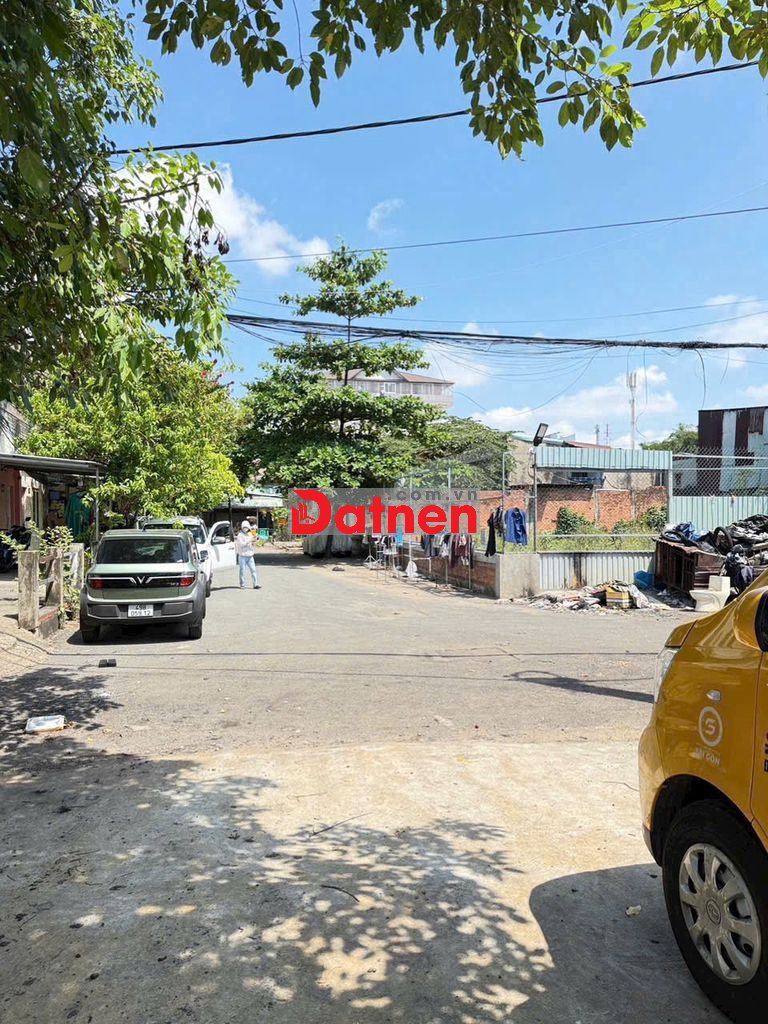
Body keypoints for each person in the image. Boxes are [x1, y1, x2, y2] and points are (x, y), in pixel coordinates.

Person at [235, 519, 259, 589]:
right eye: (244, 527)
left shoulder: (250, 534)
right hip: (242, 556)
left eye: (247, 527)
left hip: (250, 555)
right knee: (242, 571)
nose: (245, 529)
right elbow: (242, 544)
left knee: (253, 570)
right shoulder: (240, 535)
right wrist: (249, 540)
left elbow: (254, 541)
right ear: (242, 527)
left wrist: (255, 538)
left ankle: (255, 584)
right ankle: (242, 584)